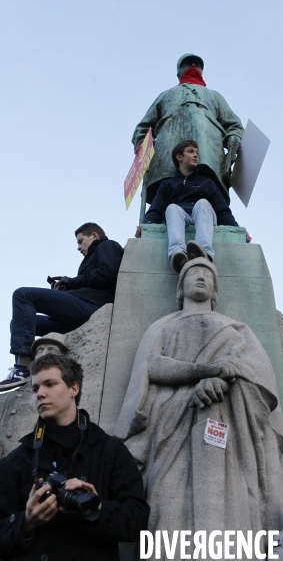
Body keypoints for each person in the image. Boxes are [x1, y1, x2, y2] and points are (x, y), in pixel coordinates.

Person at [116, 258, 283, 551]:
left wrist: (223, 385)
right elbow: (153, 367)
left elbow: (259, 377)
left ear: (216, 290)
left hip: (230, 428)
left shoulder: (237, 329)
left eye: (207, 275)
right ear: (179, 289)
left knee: (234, 506)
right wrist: (207, 372)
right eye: (192, 273)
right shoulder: (163, 327)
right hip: (170, 426)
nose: (200, 277)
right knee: (165, 505)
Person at [0, 353, 149, 560]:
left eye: (50, 384)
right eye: (35, 388)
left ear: (74, 388)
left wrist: (97, 507)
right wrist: (26, 523)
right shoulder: (16, 460)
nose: (40, 394)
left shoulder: (110, 451)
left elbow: (138, 521)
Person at [0, 222, 124, 391]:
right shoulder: (87, 261)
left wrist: (71, 282)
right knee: (18, 322)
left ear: (94, 236)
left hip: (92, 308)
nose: (79, 247)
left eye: (81, 241)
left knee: (23, 295)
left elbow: (106, 273)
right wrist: (66, 287)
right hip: (77, 313)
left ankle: (22, 369)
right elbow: (88, 282)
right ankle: (23, 368)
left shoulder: (107, 245)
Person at [132, 54, 244, 209]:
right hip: (167, 160)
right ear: (178, 71)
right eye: (187, 63)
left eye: (197, 64)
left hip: (209, 158)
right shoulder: (166, 95)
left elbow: (234, 126)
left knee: (210, 201)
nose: (193, 65)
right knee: (166, 200)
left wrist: (234, 138)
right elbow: (143, 127)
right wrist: (141, 147)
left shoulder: (215, 96)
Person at [136, 140, 251, 273]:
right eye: (190, 152)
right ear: (179, 157)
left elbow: (223, 212)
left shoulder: (207, 183)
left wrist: (239, 231)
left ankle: (204, 253)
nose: (196, 155)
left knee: (202, 203)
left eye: (197, 153)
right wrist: (146, 225)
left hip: (203, 216)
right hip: (180, 218)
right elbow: (155, 209)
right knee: (172, 208)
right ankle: (177, 254)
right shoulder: (167, 184)